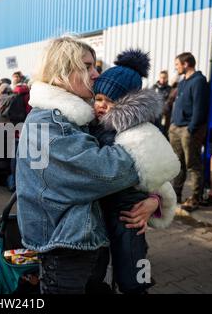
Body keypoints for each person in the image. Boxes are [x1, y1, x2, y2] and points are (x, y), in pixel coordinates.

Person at [16, 36, 180, 294]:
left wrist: (154, 199)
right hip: (66, 248)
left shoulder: (75, 117)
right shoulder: (47, 123)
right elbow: (100, 173)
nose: (95, 74)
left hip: (83, 241)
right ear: (62, 71)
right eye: (88, 66)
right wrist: (151, 150)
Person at [91, 49, 177, 294]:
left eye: (110, 101)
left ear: (128, 102)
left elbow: (161, 173)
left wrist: (155, 200)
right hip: (95, 216)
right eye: (98, 98)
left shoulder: (143, 132)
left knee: (136, 276)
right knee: (95, 275)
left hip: (128, 216)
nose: (102, 106)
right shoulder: (89, 126)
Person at [169, 52, 211, 211]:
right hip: (176, 128)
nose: (176, 67)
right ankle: (176, 195)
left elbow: (200, 108)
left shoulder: (199, 81)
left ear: (186, 64)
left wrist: (191, 129)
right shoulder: (182, 82)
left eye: (177, 64)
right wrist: (173, 124)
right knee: (177, 164)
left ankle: (194, 199)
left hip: (189, 130)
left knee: (192, 165)